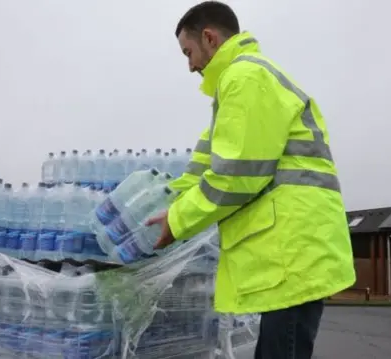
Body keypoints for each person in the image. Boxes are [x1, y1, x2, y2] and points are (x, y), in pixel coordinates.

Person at [145, 2, 356, 358]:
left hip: (292, 254)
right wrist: (164, 199)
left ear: (209, 38)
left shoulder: (245, 79)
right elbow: (203, 164)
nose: (190, 65)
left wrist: (178, 221)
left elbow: (237, 176)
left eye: (189, 52)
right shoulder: (239, 85)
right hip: (290, 253)